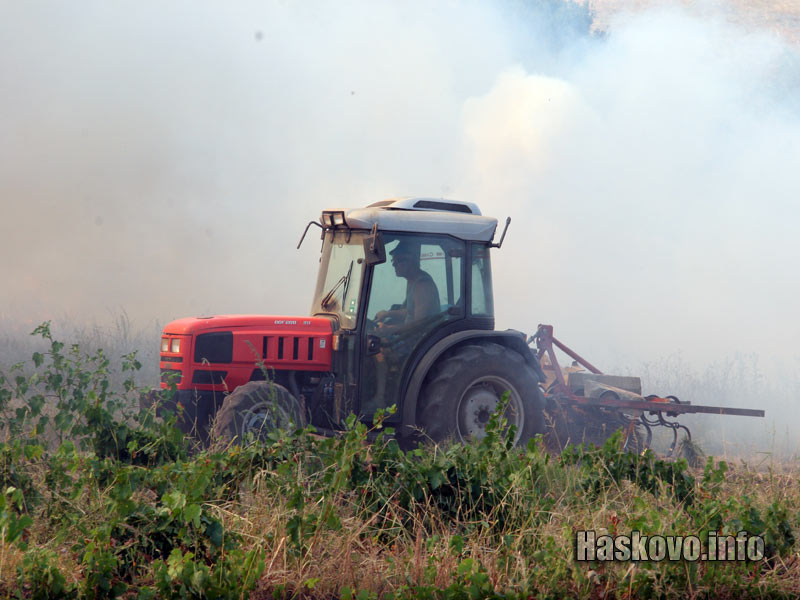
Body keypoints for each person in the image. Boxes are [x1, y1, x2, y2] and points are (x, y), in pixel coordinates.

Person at [375, 241, 440, 327]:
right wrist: (387, 314)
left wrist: (390, 330)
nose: (394, 264)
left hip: (418, 338)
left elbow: (419, 325)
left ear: (411, 260)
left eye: (398, 260)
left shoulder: (423, 285)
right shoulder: (412, 281)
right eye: (393, 260)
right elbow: (411, 311)